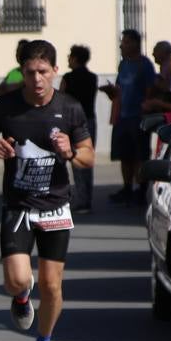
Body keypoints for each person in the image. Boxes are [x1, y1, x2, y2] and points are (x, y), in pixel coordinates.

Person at [0, 39, 94, 341]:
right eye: (31, 72)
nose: (37, 79)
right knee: (17, 279)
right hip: (18, 205)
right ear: (22, 73)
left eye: (44, 71)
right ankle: (20, 297)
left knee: (52, 285)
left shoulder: (69, 108)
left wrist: (70, 151)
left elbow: (87, 156)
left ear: (55, 71)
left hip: (56, 206)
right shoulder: (6, 106)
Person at [100, 29, 157, 205]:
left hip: (137, 117)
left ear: (134, 44)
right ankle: (127, 188)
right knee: (124, 155)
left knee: (139, 154)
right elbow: (119, 89)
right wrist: (111, 92)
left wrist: (145, 110)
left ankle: (141, 189)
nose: (121, 45)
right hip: (122, 116)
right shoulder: (123, 64)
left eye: (124, 42)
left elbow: (150, 90)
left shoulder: (145, 65)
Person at [60, 44, 99, 214]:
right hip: (89, 119)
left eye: (70, 55)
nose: (68, 58)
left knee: (76, 159)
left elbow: (61, 99)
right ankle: (87, 199)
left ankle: (81, 200)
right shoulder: (93, 77)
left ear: (75, 58)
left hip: (73, 122)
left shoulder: (68, 77)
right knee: (87, 158)